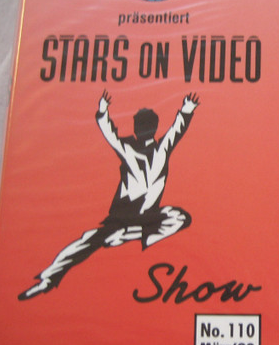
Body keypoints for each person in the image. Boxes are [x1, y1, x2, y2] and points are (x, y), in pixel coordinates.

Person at [18, 90, 200, 300]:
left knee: (179, 217)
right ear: (136, 128)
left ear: (153, 127)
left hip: (148, 216)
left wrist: (187, 109)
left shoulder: (161, 150)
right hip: (122, 217)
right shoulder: (128, 148)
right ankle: (47, 280)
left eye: (144, 125)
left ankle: (131, 236)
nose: (141, 129)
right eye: (139, 125)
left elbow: (176, 131)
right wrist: (103, 111)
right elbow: (110, 134)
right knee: (86, 242)